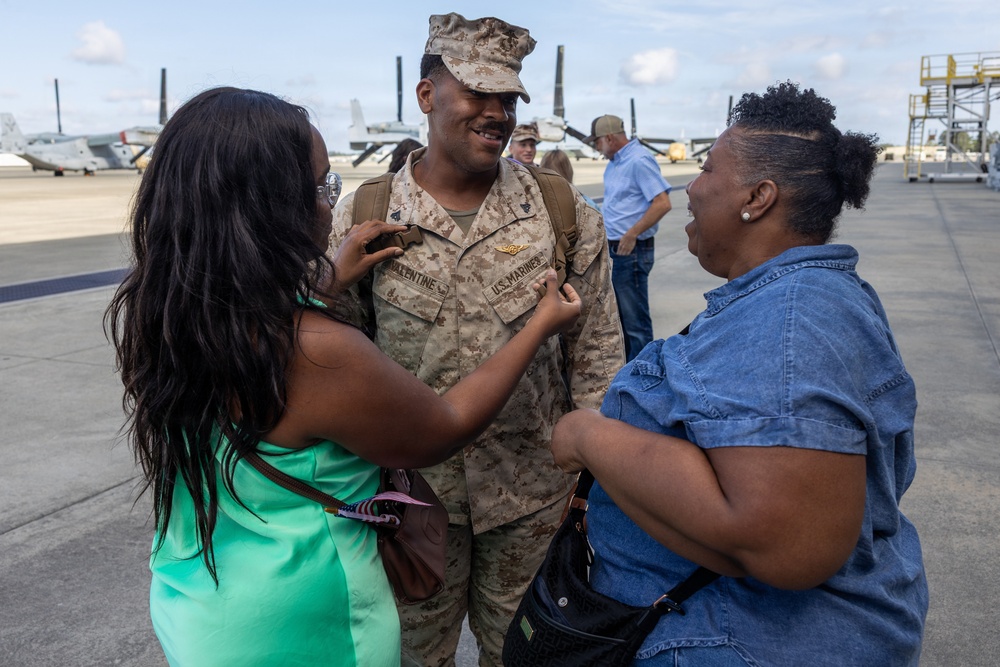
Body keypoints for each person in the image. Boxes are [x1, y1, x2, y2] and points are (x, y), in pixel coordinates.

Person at [105, 86, 583, 667]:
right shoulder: (317, 351)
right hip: (307, 624)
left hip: (204, 607)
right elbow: (445, 426)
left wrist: (326, 283)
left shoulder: (172, 317)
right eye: (320, 188)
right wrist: (537, 326)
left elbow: (260, 363)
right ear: (268, 207)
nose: (330, 207)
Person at [551, 82, 928, 666]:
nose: (692, 187)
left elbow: (787, 545)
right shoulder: (789, 301)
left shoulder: (791, 320)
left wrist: (587, 436)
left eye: (706, 170)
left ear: (758, 197)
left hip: (732, 640)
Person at [328, 12, 624, 667]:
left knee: (525, 658)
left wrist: (592, 485)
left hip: (533, 498)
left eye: (508, 98)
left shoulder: (561, 212)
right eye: (477, 93)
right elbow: (334, 352)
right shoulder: (366, 213)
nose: (497, 113)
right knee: (410, 659)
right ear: (426, 95)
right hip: (409, 500)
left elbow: (598, 354)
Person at [587, 114, 672, 360]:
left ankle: (644, 372)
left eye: (597, 142)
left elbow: (662, 203)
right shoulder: (615, 163)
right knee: (622, 319)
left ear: (609, 138)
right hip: (617, 249)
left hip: (631, 250)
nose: (597, 148)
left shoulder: (638, 160)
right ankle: (629, 369)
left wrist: (632, 233)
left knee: (635, 323)